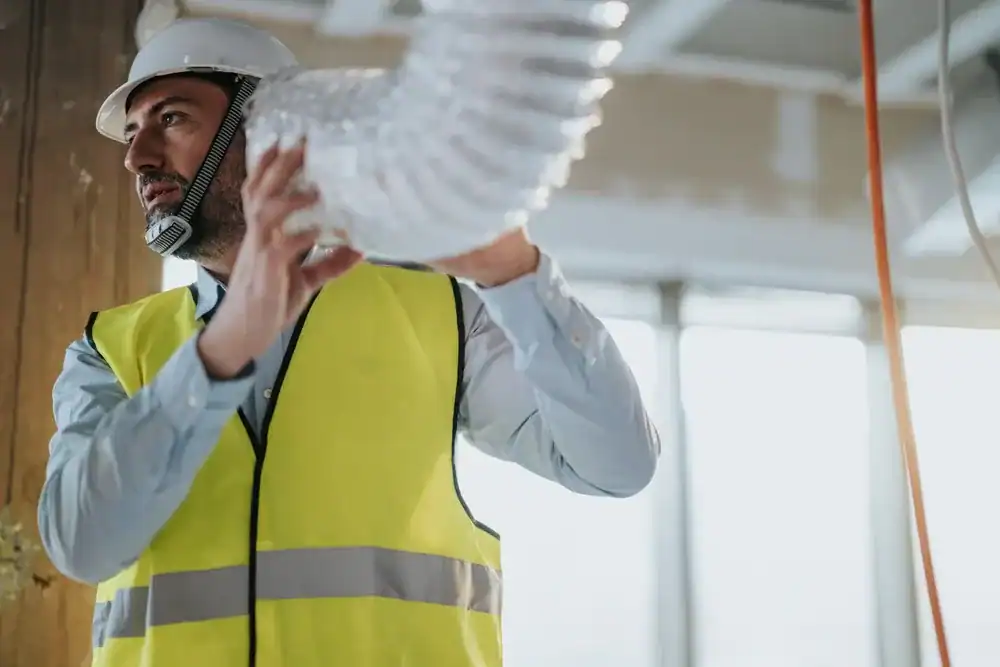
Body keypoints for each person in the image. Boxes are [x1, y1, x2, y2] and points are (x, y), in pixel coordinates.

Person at [37, 17, 659, 667]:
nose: (137, 157)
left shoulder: (437, 312)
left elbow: (616, 464)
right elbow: (84, 545)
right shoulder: (108, 349)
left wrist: (519, 277)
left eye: (171, 119)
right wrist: (218, 354)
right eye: (133, 134)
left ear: (271, 134)